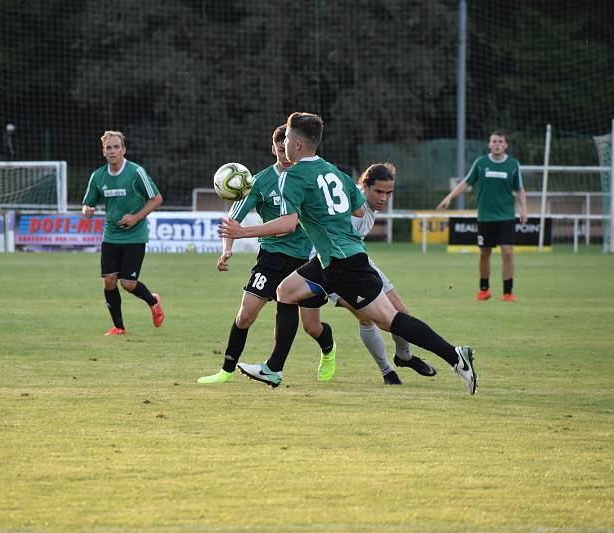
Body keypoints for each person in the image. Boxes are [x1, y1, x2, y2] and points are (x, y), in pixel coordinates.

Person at [219, 112, 477, 395]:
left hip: (344, 262)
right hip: (328, 258)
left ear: (296, 143)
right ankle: (274, 368)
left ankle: (455, 355)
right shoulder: (333, 171)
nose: (286, 145)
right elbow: (356, 208)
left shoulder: (292, 176)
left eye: (288, 139)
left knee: (389, 320)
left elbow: (288, 224)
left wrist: (243, 232)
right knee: (286, 291)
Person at [198, 125, 337, 384]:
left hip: (306, 259)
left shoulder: (305, 178)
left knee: (311, 326)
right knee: (245, 315)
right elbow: (232, 221)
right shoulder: (260, 181)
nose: (284, 155)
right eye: (279, 149)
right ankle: (227, 370)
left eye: (287, 149)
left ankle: (328, 351)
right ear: (273, 148)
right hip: (271, 258)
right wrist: (227, 249)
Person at [342, 162, 438, 383]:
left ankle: (404, 356)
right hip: (333, 267)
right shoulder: (352, 206)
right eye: (379, 192)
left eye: (388, 193)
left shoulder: (368, 205)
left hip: (360, 260)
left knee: (400, 311)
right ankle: (388, 372)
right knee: (367, 318)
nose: (384, 198)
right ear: (364, 187)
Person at [82, 130, 165, 335]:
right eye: (108, 147)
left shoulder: (136, 172)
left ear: (123, 149)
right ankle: (119, 327)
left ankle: (153, 301)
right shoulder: (98, 176)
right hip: (110, 235)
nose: (112, 151)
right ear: (103, 151)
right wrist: (88, 210)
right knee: (109, 281)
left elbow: (156, 199)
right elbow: (87, 204)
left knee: (128, 284)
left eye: (116, 147)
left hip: (135, 236)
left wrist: (136, 217)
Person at [437, 131, 527, 302]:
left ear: (506, 145)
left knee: (508, 252)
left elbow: (520, 188)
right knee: (485, 253)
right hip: (485, 217)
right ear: (489, 144)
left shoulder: (513, 164)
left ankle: (508, 293)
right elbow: (466, 182)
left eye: (501, 141)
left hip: (506, 216)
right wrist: (449, 198)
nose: (497, 144)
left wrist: (524, 209)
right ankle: (484, 290)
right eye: (494, 141)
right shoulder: (481, 163)